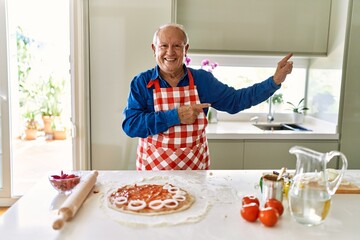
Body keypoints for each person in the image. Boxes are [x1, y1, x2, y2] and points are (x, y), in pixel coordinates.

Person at [122, 23, 293, 171]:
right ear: (154, 49)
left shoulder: (202, 80)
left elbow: (235, 101)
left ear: (185, 49)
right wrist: (175, 116)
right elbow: (131, 125)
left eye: (177, 46)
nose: (170, 52)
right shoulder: (142, 83)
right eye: (163, 46)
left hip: (195, 172)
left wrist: (274, 81)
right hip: (154, 173)